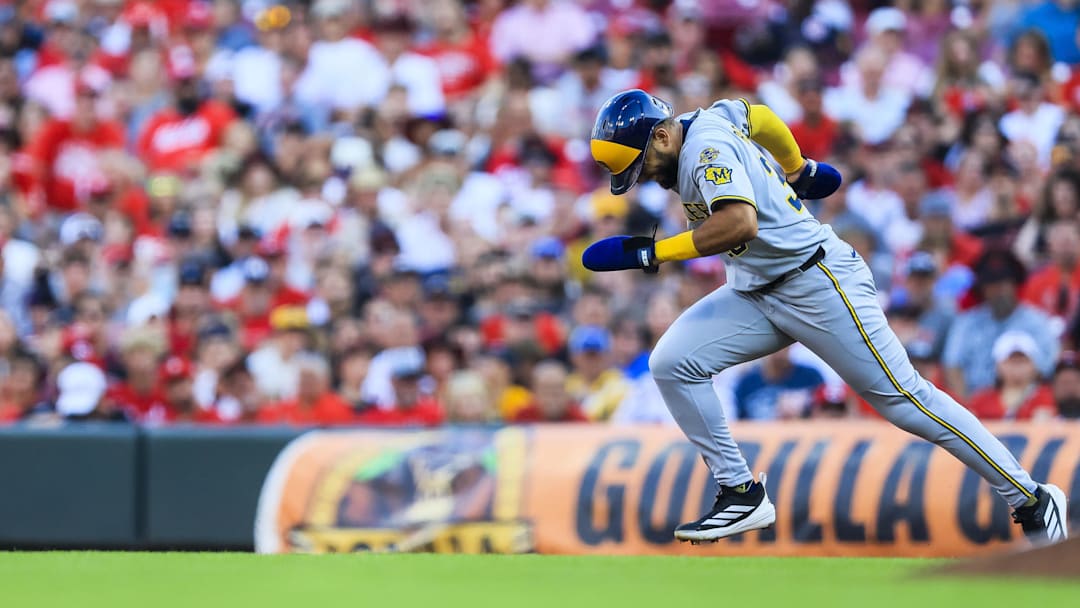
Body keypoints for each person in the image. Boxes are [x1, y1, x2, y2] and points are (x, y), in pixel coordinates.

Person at [583, 89, 1067, 544]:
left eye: (642, 165)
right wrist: (798, 167)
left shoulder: (704, 149)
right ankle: (740, 492)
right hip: (756, 289)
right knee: (672, 363)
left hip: (816, 281)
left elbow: (739, 223)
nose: (644, 178)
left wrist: (653, 253)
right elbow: (759, 116)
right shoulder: (707, 119)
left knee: (907, 401)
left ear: (661, 136)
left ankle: (1031, 498)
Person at [966, 332, 1057, 421]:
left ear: (1034, 366)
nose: (1017, 366)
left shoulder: (1045, 397)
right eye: (1011, 361)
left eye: (1022, 361)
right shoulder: (981, 400)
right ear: (998, 365)